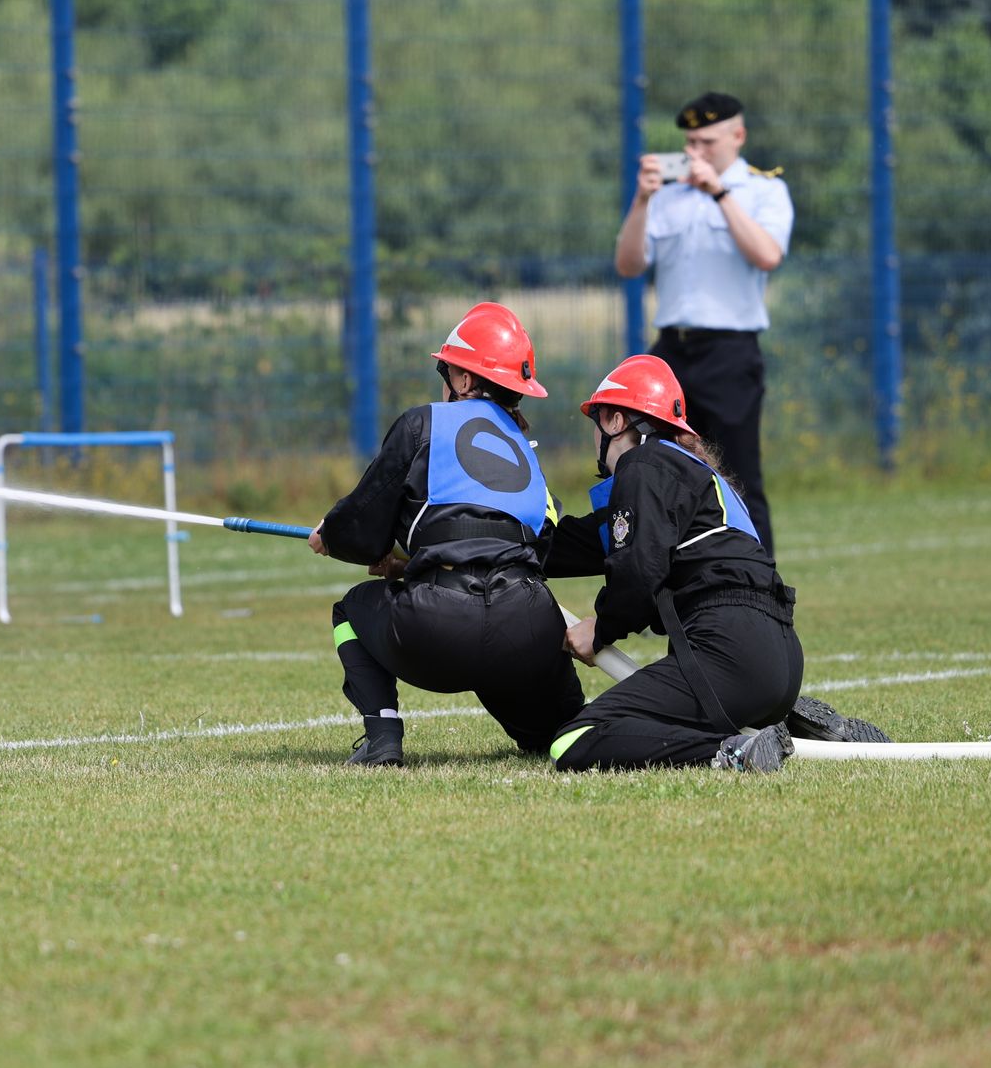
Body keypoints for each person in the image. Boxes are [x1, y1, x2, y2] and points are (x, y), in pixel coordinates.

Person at [541, 354, 883, 773]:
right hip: (778, 659)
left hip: (730, 654)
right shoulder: (690, 476)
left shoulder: (642, 465)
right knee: (662, 716)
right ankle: (799, 725)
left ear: (614, 421)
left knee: (574, 739)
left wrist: (601, 628)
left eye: (596, 424)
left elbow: (638, 572)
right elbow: (569, 546)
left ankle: (731, 752)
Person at [309, 302, 585, 766]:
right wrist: (411, 562)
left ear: (463, 381)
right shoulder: (527, 452)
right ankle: (572, 729)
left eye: (448, 371)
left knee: (350, 610)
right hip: (528, 627)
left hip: (438, 630)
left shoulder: (422, 423)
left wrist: (330, 536)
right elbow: (541, 541)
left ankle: (383, 739)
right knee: (558, 740)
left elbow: (364, 522)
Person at [614, 91, 792, 554]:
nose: (696, 152)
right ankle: (659, 585)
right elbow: (629, 264)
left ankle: (758, 591)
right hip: (671, 351)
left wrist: (720, 192)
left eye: (708, 141)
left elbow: (767, 254)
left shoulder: (763, 190)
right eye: (690, 141)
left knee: (738, 475)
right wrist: (641, 199)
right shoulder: (668, 196)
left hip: (729, 351)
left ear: (738, 136)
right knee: (656, 469)